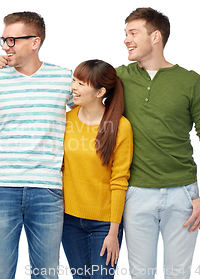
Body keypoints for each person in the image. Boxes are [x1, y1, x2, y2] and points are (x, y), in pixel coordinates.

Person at [118, 8, 200, 279]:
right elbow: (77, 93)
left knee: (178, 275)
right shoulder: (119, 77)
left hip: (183, 195)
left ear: (156, 36)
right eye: (125, 33)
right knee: (140, 275)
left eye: (133, 33)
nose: (126, 39)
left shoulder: (190, 81)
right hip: (136, 193)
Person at [0, 11, 73, 278]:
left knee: (46, 273)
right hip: (1, 188)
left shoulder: (64, 78)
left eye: (12, 40)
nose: (6, 46)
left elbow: (91, 113)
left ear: (35, 42)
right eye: (4, 40)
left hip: (47, 189)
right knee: (0, 273)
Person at [61, 59, 133, 279]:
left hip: (104, 223)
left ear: (100, 91)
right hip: (69, 220)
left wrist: (113, 232)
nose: (74, 87)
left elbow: (120, 181)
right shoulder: (66, 120)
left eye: (82, 83)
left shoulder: (120, 127)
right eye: (74, 80)